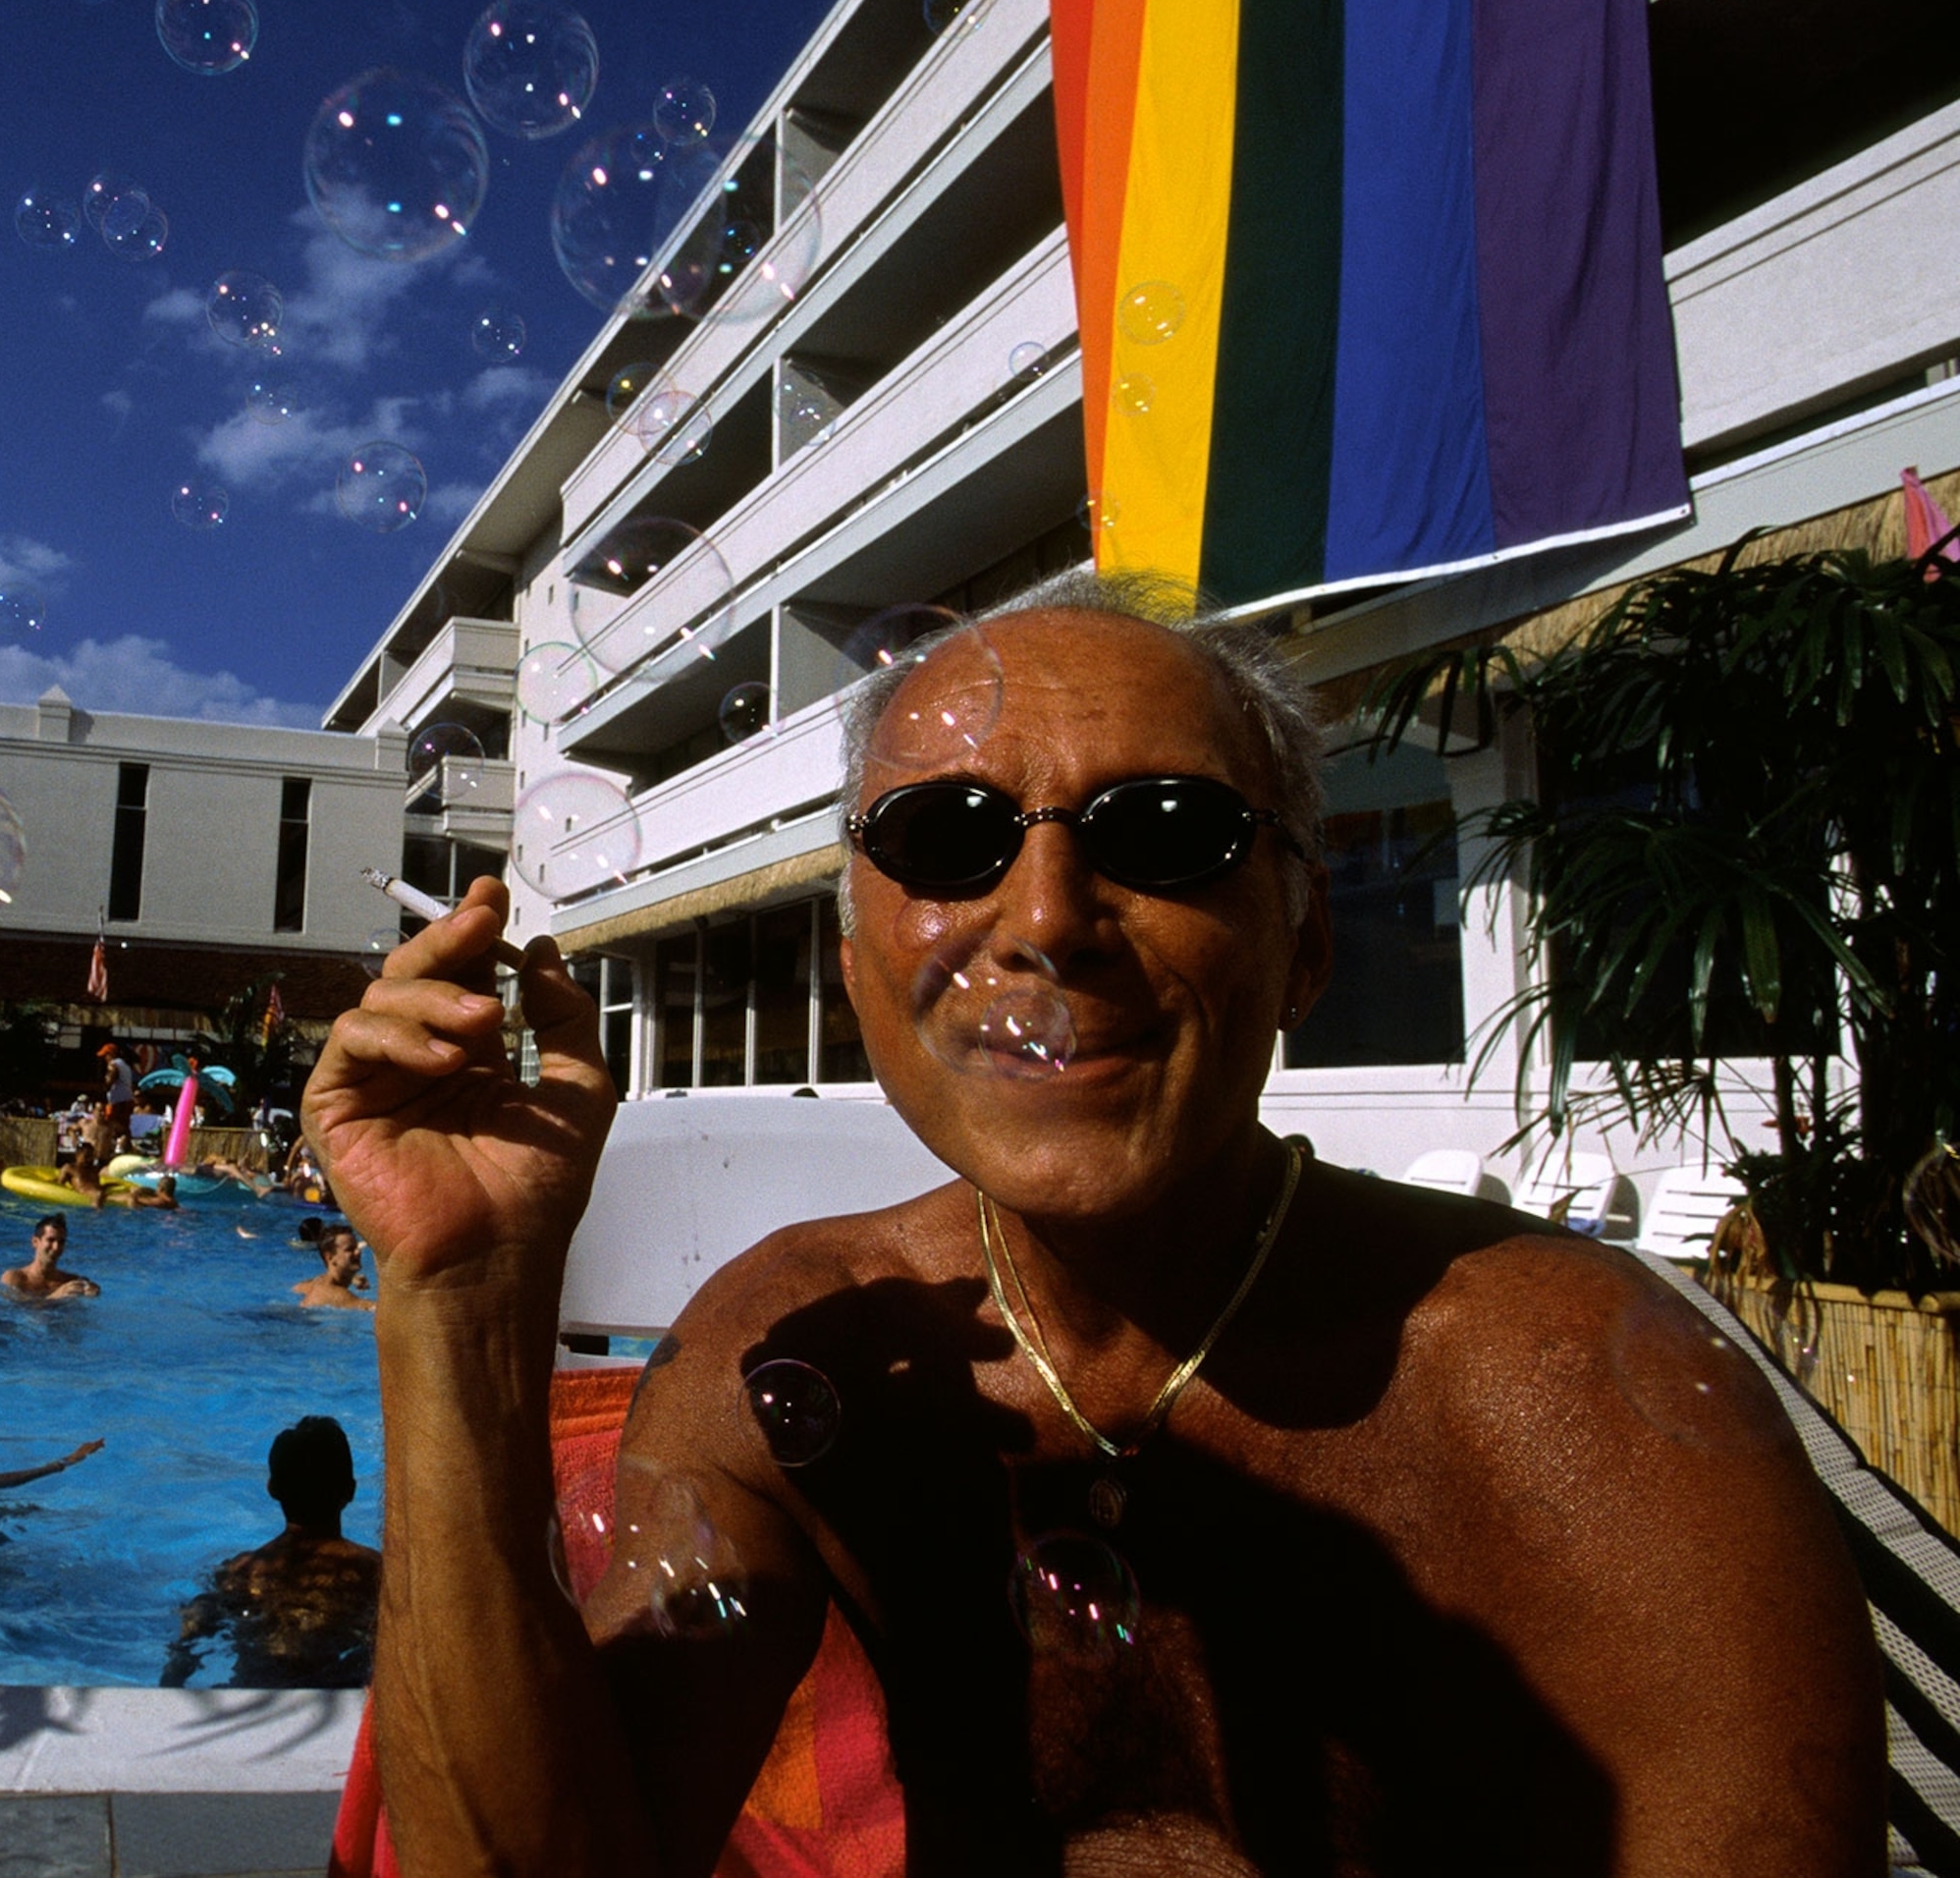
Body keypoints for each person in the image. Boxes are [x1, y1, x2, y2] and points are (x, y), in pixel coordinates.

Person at [302, 573, 1882, 1874]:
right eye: (945, 839)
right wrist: (462, 1300)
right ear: (857, 967)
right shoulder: (793, 1350)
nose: (1047, 918)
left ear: (1307, 939)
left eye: (1165, 828)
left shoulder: (1569, 1405)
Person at [158, 1416, 380, 1689]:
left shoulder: (241, 1571)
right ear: (351, 1490)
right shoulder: (374, 1573)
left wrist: (172, 1678)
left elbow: (190, 1637)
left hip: (255, 1692)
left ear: (272, 1489)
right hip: (337, 1690)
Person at [0, 1214, 98, 1302]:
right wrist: (55, 1297)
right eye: (50, 1240)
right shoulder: (14, 1278)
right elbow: (13, 1310)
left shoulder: (69, 1281)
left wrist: (93, 1290)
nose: (56, 1247)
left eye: (61, 1242)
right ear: (35, 1242)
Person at [293, 1225, 373, 1311]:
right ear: (330, 1257)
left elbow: (297, 1288)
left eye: (357, 1247)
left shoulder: (311, 1284)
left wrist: (351, 1278)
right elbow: (382, 1310)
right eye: (350, 1249)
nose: (358, 1252)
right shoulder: (337, 1295)